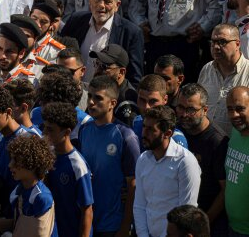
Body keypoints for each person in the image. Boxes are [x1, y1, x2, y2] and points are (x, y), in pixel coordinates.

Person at [78, 75, 141, 237]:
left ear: (112, 103)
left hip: (112, 224)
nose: (91, 102)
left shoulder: (126, 137)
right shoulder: (84, 130)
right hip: (87, 221)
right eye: (90, 96)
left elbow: (133, 184)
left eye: (98, 98)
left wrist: (125, 226)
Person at [61, 0, 144, 84]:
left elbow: (135, 78)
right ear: (90, 0)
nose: (101, 5)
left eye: (107, 1)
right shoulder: (76, 21)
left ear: (117, 5)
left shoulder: (131, 33)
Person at [134, 106, 201, 237]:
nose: (143, 133)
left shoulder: (185, 162)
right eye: (144, 127)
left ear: (168, 133)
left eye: (150, 130)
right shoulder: (143, 160)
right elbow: (140, 205)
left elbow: (187, 212)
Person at [175, 83, 230, 234]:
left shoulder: (217, 142)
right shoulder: (177, 131)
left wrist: (204, 222)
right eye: (180, 107)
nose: (184, 114)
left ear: (205, 110)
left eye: (191, 110)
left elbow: (225, 190)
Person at [41, 102, 94, 237]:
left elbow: (87, 210)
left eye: (51, 129)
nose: (45, 133)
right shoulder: (49, 156)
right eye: (44, 128)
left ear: (67, 132)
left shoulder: (78, 166)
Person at [0, 135, 57, 237]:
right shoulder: (19, 191)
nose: (10, 165)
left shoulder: (41, 198)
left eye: (16, 161)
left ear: (32, 164)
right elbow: (15, 225)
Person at [198, 24, 249, 132]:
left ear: (237, 44)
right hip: (207, 141)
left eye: (222, 42)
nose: (216, 47)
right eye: (213, 42)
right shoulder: (207, 69)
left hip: (237, 143)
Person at [225, 86, 249, 235]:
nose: (234, 115)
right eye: (230, 109)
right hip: (232, 227)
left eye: (240, 108)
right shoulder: (235, 131)